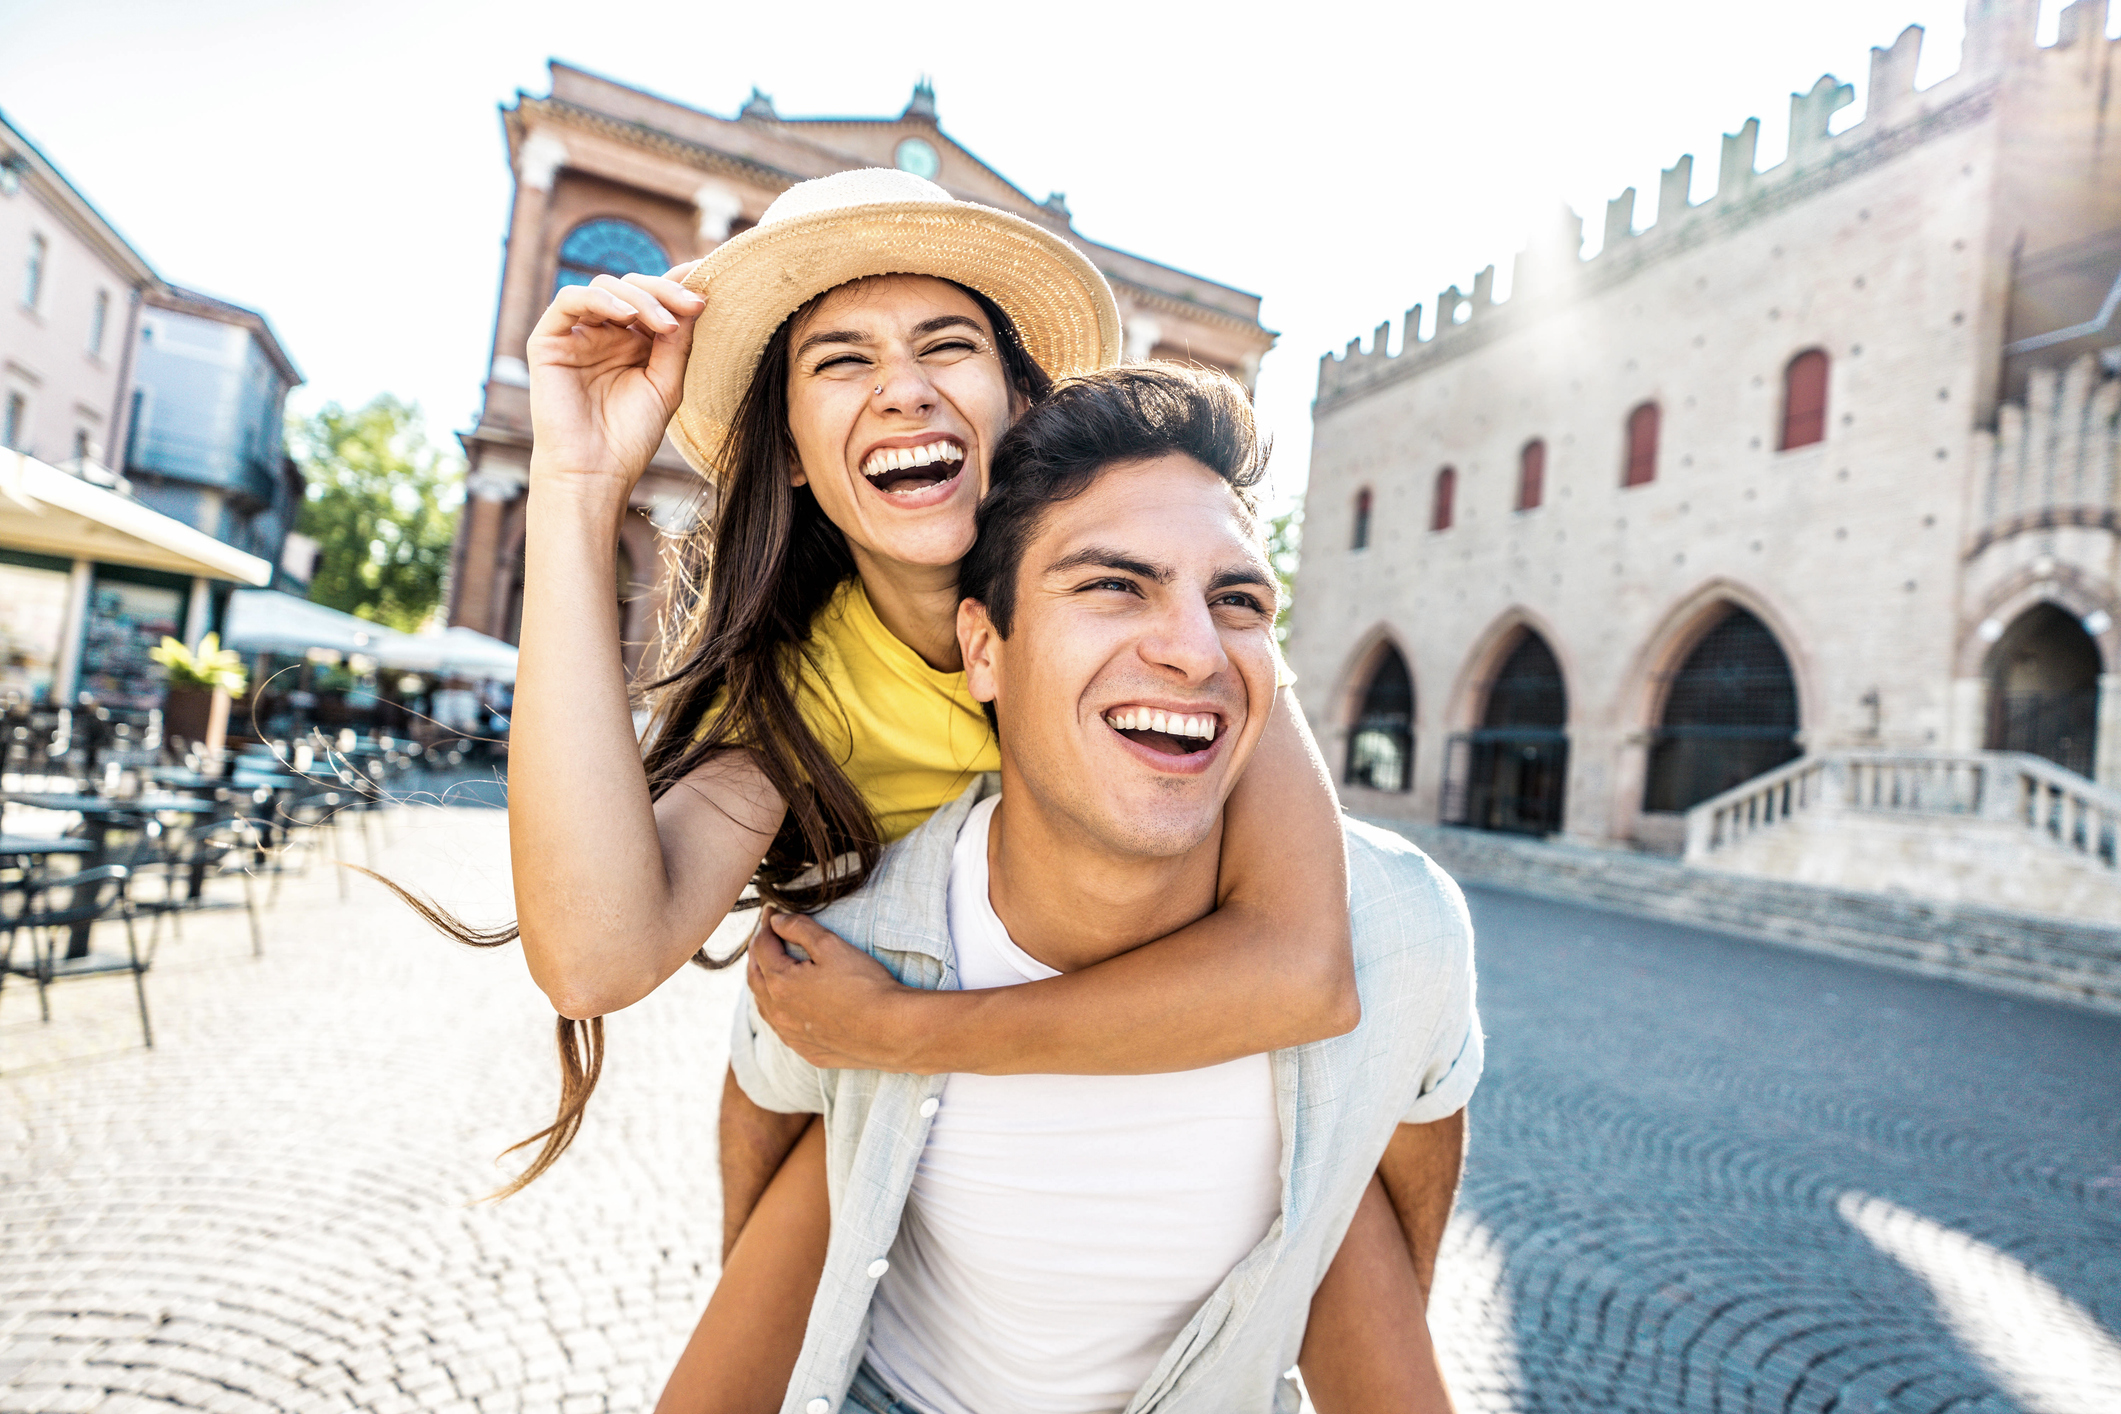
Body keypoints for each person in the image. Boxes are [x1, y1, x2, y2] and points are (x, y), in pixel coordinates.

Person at [471, 168, 1438, 1410]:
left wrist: (906, 1032)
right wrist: (576, 485)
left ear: (1019, 403)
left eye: (948, 345)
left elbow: (1305, 969)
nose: (904, 386)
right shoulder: (795, 699)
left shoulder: (1173, 624)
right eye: (840, 361)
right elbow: (595, 959)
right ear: (802, 461)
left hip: (1152, 1114)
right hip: (887, 1156)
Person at [721, 365, 1480, 1414]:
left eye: (1238, 600)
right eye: (1115, 583)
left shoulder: (1403, 934)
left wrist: (906, 1032)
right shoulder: (858, 929)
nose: (1194, 649)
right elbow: (769, 1164)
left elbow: (1377, 1217)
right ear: (983, 647)